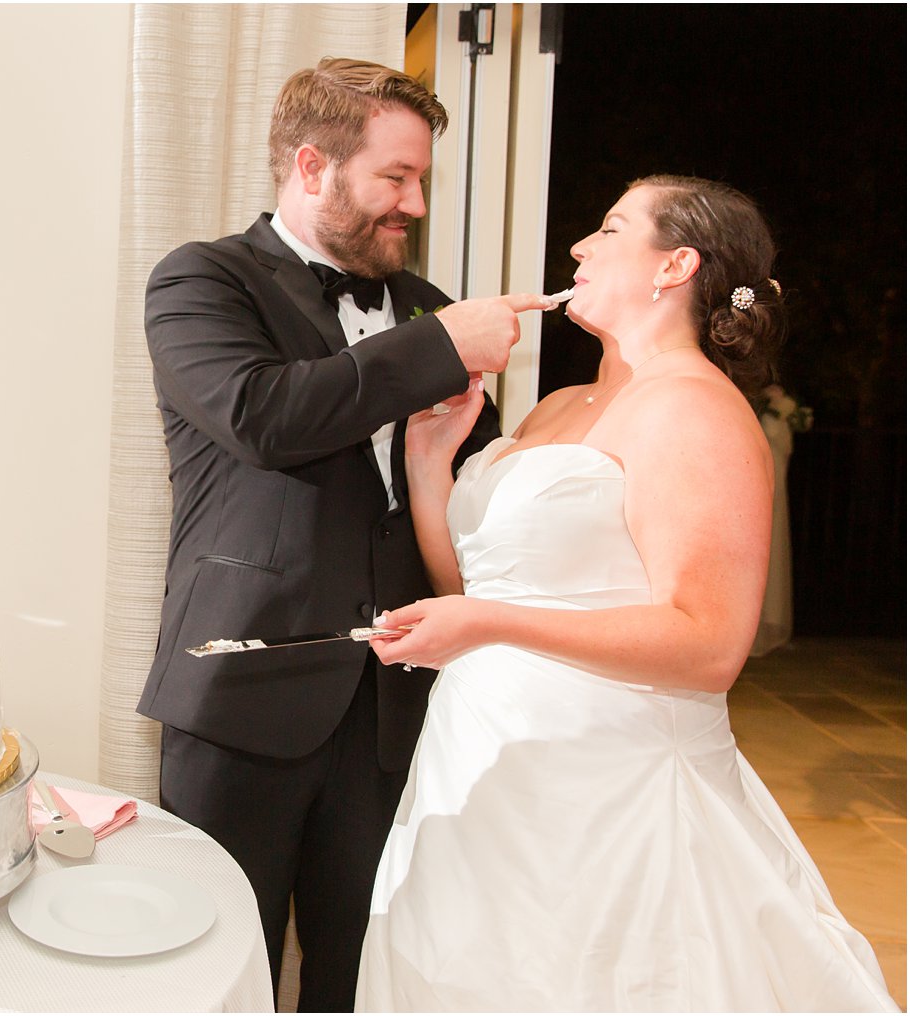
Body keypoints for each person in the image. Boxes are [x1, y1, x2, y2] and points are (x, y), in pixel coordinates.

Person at [356, 175, 898, 1011]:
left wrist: (485, 620)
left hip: (609, 789)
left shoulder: (697, 413)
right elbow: (476, 592)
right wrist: (429, 469)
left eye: (610, 228)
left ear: (674, 264)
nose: (580, 247)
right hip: (482, 765)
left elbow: (710, 645)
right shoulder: (559, 408)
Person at [137, 57, 553, 1010]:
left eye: (422, 181)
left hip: (397, 707)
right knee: (212, 967)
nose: (412, 203)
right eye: (394, 178)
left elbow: (469, 503)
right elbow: (262, 416)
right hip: (243, 691)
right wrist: (443, 346)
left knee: (363, 972)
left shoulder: (424, 307)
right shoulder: (203, 279)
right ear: (314, 167)